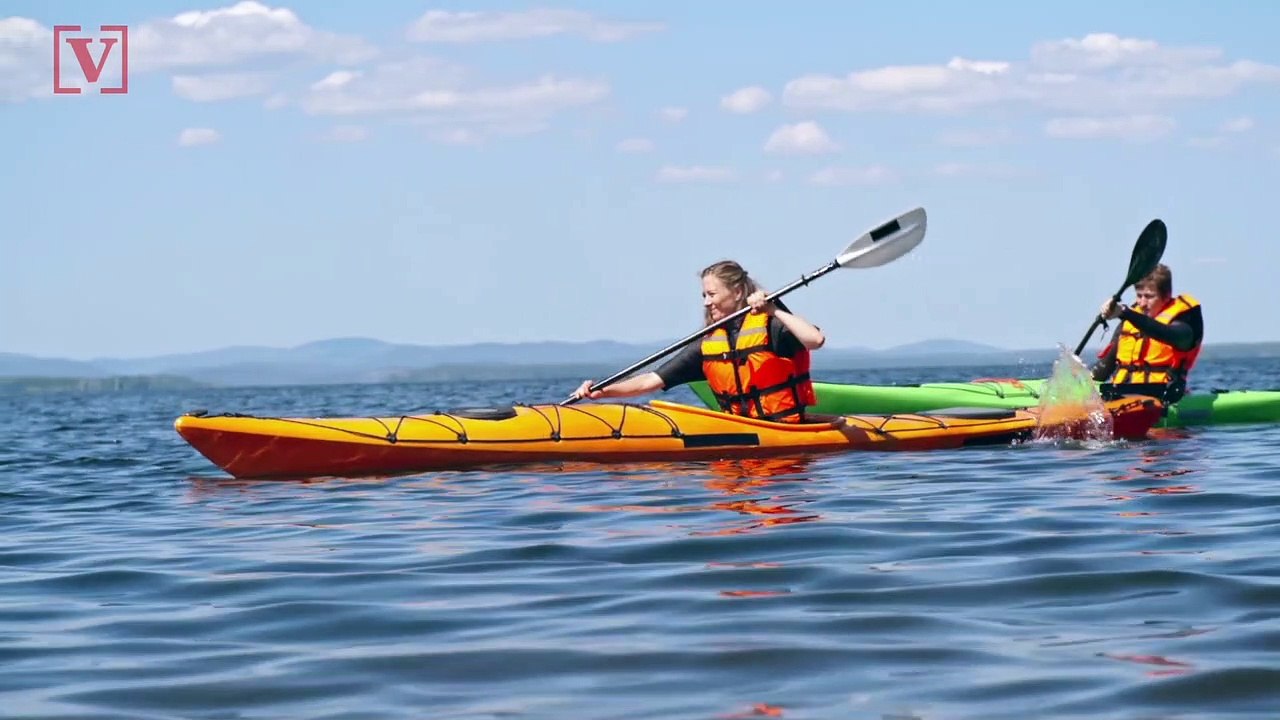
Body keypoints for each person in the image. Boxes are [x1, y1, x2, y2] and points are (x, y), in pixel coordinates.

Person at [569, 260, 826, 422]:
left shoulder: (772, 327)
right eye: (703, 294)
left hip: (787, 444)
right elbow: (650, 381)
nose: (706, 302)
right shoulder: (708, 344)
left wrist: (775, 308)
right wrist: (601, 391)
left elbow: (815, 340)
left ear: (737, 292)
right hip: (740, 435)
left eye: (712, 294)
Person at [1091, 263, 1204, 402]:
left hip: (1165, 395)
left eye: (1149, 297)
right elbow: (1103, 368)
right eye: (1139, 296)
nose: (1142, 303)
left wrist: (1125, 313)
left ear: (1167, 296)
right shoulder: (1129, 321)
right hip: (1120, 395)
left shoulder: (1184, 322)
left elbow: (1166, 333)